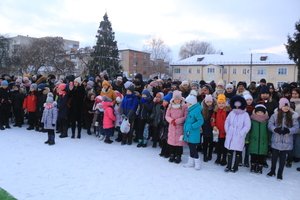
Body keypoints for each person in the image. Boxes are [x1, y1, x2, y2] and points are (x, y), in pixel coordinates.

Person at [267, 98, 299, 180]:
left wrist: (289, 130)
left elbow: (296, 127)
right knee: (274, 157)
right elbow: (270, 124)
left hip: (286, 142)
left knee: (282, 158)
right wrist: (275, 129)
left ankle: (280, 173)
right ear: (280, 106)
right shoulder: (275, 115)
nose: (286, 108)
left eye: (287, 106)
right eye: (284, 106)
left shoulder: (292, 116)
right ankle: (272, 170)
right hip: (276, 140)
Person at [224, 95, 251, 172]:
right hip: (231, 134)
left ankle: (235, 166)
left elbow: (247, 125)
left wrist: (241, 133)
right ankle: (228, 165)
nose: (237, 108)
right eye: (235, 106)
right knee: (230, 150)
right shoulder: (231, 113)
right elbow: (227, 121)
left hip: (239, 136)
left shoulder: (245, 114)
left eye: (238, 106)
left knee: (238, 151)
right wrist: (228, 130)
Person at [183, 92, 204, 169]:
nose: (186, 104)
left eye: (187, 102)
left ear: (191, 103)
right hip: (189, 133)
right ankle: (191, 162)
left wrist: (192, 126)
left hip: (193, 133)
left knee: (193, 148)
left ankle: (197, 162)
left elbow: (200, 121)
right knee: (191, 148)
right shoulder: (190, 110)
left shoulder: (196, 110)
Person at [166, 90, 187, 163]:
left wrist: (178, 121)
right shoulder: (170, 106)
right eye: (176, 99)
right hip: (172, 126)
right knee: (171, 142)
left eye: (178, 99)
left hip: (179, 127)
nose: (177, 100)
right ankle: (172, 154)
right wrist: (171, 120)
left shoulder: (184, 106)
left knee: (179, 143)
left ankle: (178, 156)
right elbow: (167, 116)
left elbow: (185, 116)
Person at [247, 104, 269, 174]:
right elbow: (248, 130)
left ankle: (260, 166)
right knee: (253, 154)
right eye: (258, 112)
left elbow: (269, 132)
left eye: (261, 112)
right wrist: (247, 139)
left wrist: (269, 140)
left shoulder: (266, 121)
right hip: (254, 140)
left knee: (261, 155)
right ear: (255, 112)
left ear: (264, 113)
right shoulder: (252, 120)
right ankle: (253, 166)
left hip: (263, 141)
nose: (260, 113)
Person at [211, 94, 229, 166]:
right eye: (219, 103)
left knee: (225, 147)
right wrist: (214, 126)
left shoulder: (228, 111)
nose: (221, 105)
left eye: (222, 103)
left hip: (225, 132)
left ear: (225, 103)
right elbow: (212, 119)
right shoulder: (215, 111)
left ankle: (224, 158)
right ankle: (218, 158)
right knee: (218, 146)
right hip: (218, 133)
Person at [201, 94, 215, 162]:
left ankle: (210, 154)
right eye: (207, 102)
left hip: (212, 128)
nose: (209, 103)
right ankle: (205, 155)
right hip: (205, 127)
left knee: (211, 142)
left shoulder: (214, 109)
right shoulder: (203, 110)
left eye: (210, 102)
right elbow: (201, 119)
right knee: (205, 142)